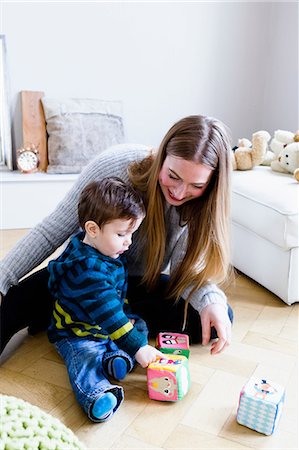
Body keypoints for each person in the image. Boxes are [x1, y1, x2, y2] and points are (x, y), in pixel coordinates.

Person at [0, 115, 234, 360]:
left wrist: (211, 301)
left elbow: (184, 271)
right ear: (162, 156)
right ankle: (85, 316)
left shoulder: (202, 206)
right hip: (86, 277)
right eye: (173, 176)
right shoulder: (119, 166)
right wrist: (2, 279)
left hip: (133, 286)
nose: (179, 192)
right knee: (13, 304)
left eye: (195, 185)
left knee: (217, 317)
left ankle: (92, 321)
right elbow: (51, 231)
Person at [45, 177, 162, 422]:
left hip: (104, 326)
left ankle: (114, 358)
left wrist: (134, 336)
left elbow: (116, 307)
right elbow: (111, 315)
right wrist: (139, 347)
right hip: (77, 333)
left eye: (131, 233)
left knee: (138, 325)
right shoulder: (87, 271)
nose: (129, 241)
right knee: (86, 360)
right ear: (92, 229)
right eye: (121, 234)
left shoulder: (101, 248)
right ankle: (96, 395)